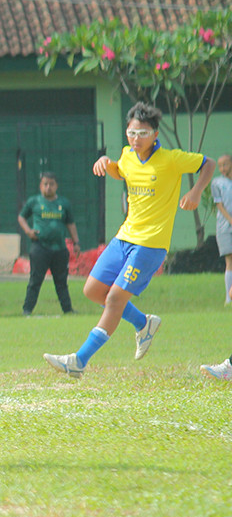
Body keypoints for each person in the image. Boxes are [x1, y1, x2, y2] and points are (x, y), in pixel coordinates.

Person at [44, 102, 214, 377]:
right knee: (92, 291)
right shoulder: (128, 155)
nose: (137, 139)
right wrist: (106, 164)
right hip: (124, 237)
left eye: (143, 133)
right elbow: (120, 170)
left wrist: (195, 192)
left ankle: (79, 361)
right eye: (132, 133)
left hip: (150, 244)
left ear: (155, 134)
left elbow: (208, 163)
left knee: (113, 299)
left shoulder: (171, 159)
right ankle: (143, 323)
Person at [18, 171, 80, 315]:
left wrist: (76, 242)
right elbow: (21, 217)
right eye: (45, 184)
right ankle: (27, 310)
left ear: (56, 186)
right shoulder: (34, 201)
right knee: (35, 280)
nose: (48, 187)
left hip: (59, 248)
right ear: (40, 186)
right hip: (40, 247)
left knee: (61, 282)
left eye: (51, 184)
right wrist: (28, 231)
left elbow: (71, 224)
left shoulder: (63, 203)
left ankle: (68, 310)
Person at [210, 155, 232, 304]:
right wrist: (230, 220)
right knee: (229, 261)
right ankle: (228, 297)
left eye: (225, 164)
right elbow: (219, 204)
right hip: (224, 227)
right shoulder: (217, 183)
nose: (223, 168)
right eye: (220, 165)